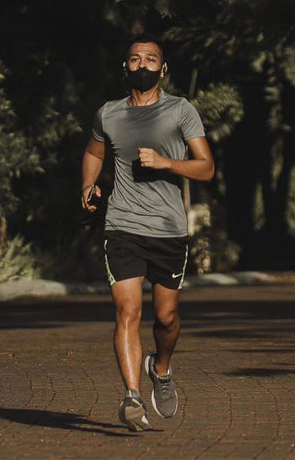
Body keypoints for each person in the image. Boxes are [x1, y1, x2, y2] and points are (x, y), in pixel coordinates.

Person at [81, 34, 214, 431]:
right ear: (126, 67)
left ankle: (162, 367)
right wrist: (88, 186)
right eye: (135, 59)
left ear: (163, 68)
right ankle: (132, 397)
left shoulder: (181, 110)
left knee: (167, 318)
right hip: (122, 226)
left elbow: (206, 167)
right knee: (127, 311)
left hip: (169, 230)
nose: (142, 65)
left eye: (151, 59)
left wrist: (166, 163)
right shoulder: (108, 113)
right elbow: (93, 152)